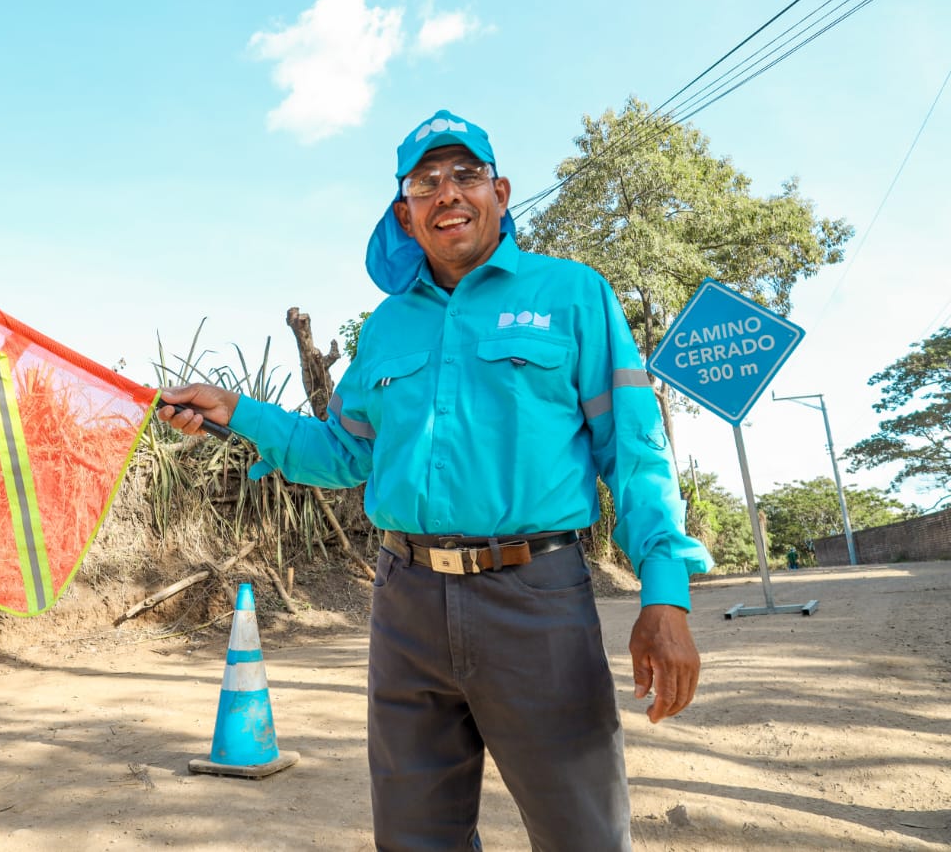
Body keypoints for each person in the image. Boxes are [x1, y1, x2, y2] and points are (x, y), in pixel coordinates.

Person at [158, 109, 713, 851]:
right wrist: (237, 410)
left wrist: (665, 594)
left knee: (583, 834)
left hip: (536, 600)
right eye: (426, 182)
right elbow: (343, 452)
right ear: (405, 213)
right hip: (405, 605)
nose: (448, 192)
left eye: (465, 174)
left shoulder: (574, 295)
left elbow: (636, 452)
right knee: (415, 840)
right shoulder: (386, 327)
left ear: (501, 191)